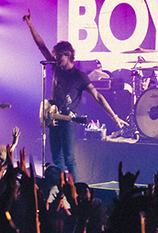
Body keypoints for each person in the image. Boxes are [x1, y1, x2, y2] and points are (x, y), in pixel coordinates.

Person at [23, 10, 126, 181]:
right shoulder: (56, 67)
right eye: (55, 56)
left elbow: (98, 97)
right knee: (56, 159)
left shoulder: (80, 76)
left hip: (68, 121)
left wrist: (114, 117)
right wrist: (30, 26)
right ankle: (58, 188)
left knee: (69, 159)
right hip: (53, 118)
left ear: (68, 55)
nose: (56, 59)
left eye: (59, 57)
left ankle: (75, 189)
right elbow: (42, 46)